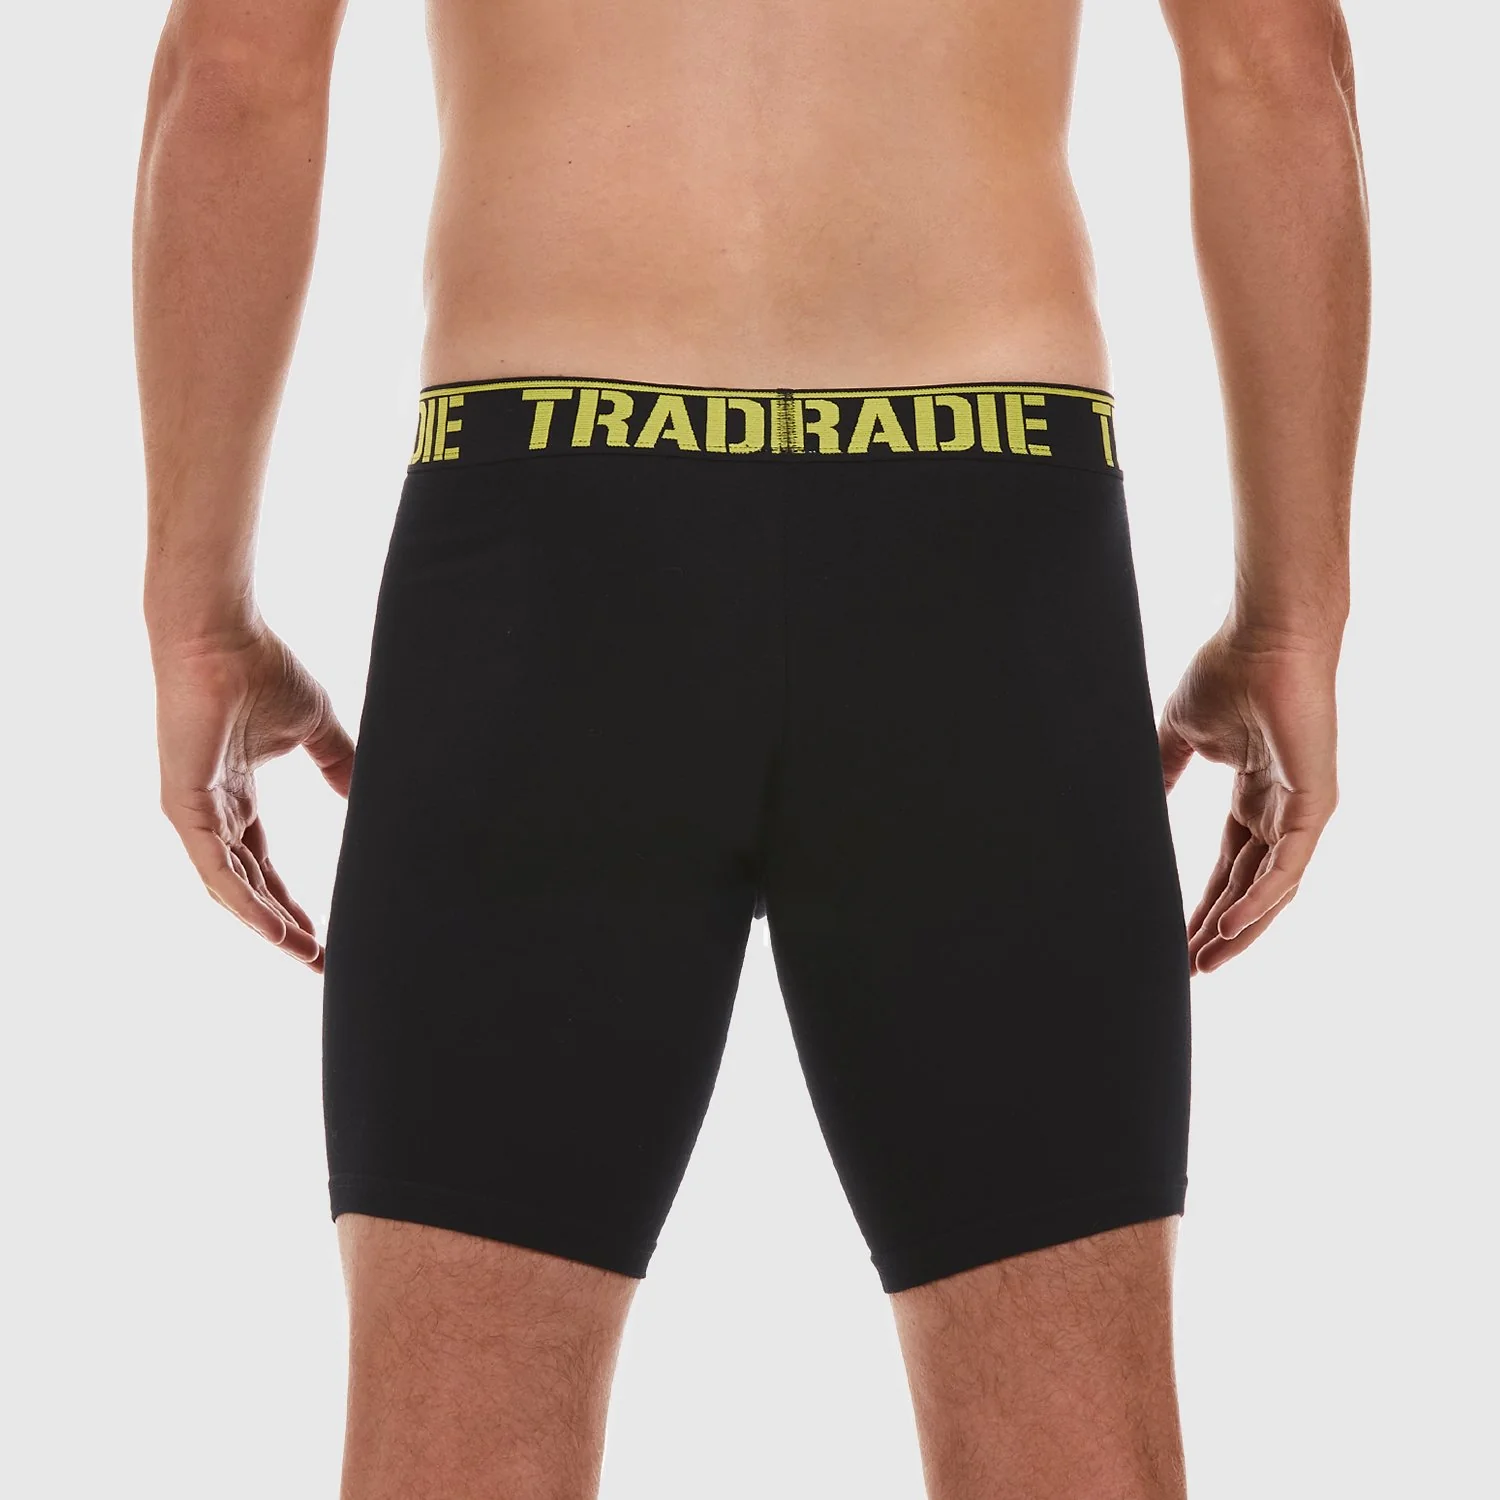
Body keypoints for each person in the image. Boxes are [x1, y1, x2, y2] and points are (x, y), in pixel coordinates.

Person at [134, 0, 1367, 1492]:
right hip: (979, 521)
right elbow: (1272, 62)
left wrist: (197, 614)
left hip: (556, 530)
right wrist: (1292, 618)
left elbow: (240, 69)